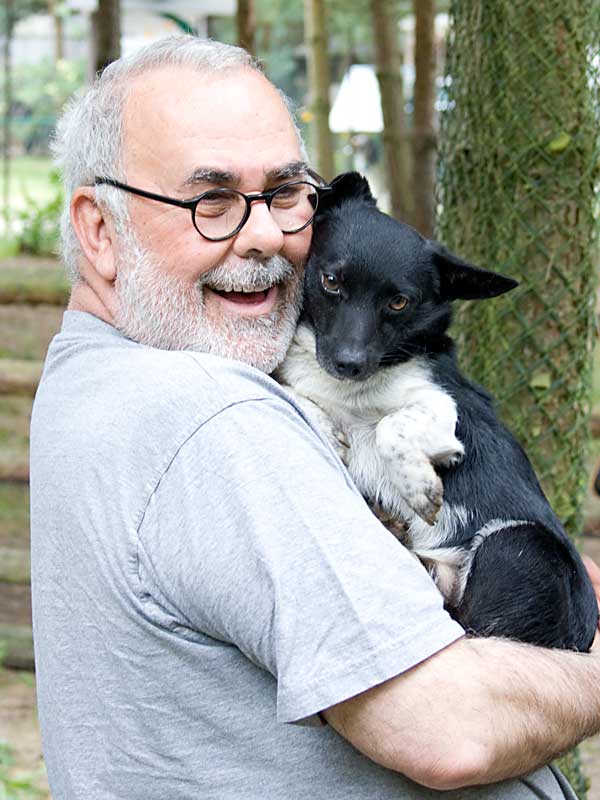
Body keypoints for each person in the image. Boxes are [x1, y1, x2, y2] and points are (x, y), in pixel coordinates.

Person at [30, 35, 600, 800]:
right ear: (99, 229)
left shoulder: (89, 377)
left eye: (284, 193)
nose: (265, 235)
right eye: (211, 201)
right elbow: (447, 731)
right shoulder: (217, 421)